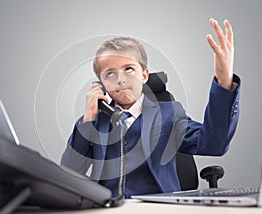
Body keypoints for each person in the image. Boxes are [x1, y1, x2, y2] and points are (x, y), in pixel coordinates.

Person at [61, 18, 240, 199]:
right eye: (110, 73)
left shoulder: (169, 113)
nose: (120, 79)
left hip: (156, 206)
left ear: (144, 75)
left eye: (129, 69)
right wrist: (88, 119)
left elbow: (214, 144)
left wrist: (224, 83)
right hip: (105, 206)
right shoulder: (95, 122)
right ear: (101, 83)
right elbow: (70, 171)